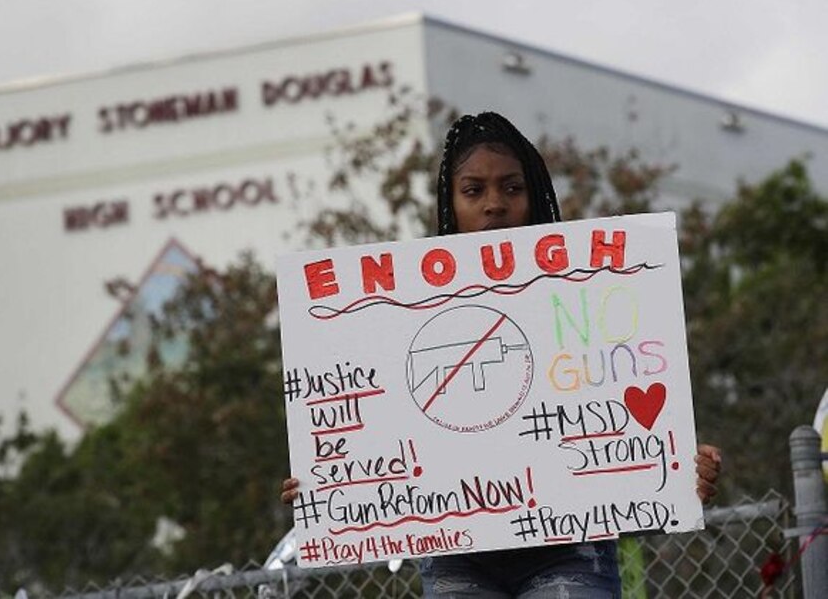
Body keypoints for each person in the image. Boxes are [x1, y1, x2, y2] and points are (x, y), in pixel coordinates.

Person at [282, 111, 723, 597]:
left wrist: (681, 472)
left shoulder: (592, 289)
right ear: (451, 202)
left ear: (534, 194)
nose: (494, 205)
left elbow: (629, 426)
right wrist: (326, 484)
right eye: (474, 191)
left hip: (571, 547)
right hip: (458, 556)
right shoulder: (398, 315)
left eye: (512, 188)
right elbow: (373, 420)